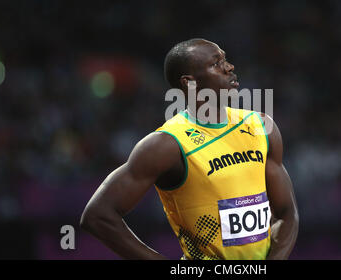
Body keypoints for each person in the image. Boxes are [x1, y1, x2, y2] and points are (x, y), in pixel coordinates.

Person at [80, 38, 299, 260]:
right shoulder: (167, 144)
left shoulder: (261, 126)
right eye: (216, 63)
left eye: (225, 59)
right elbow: (98, 216)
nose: (229, 67)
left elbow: (286, 212)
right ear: (189, 82)